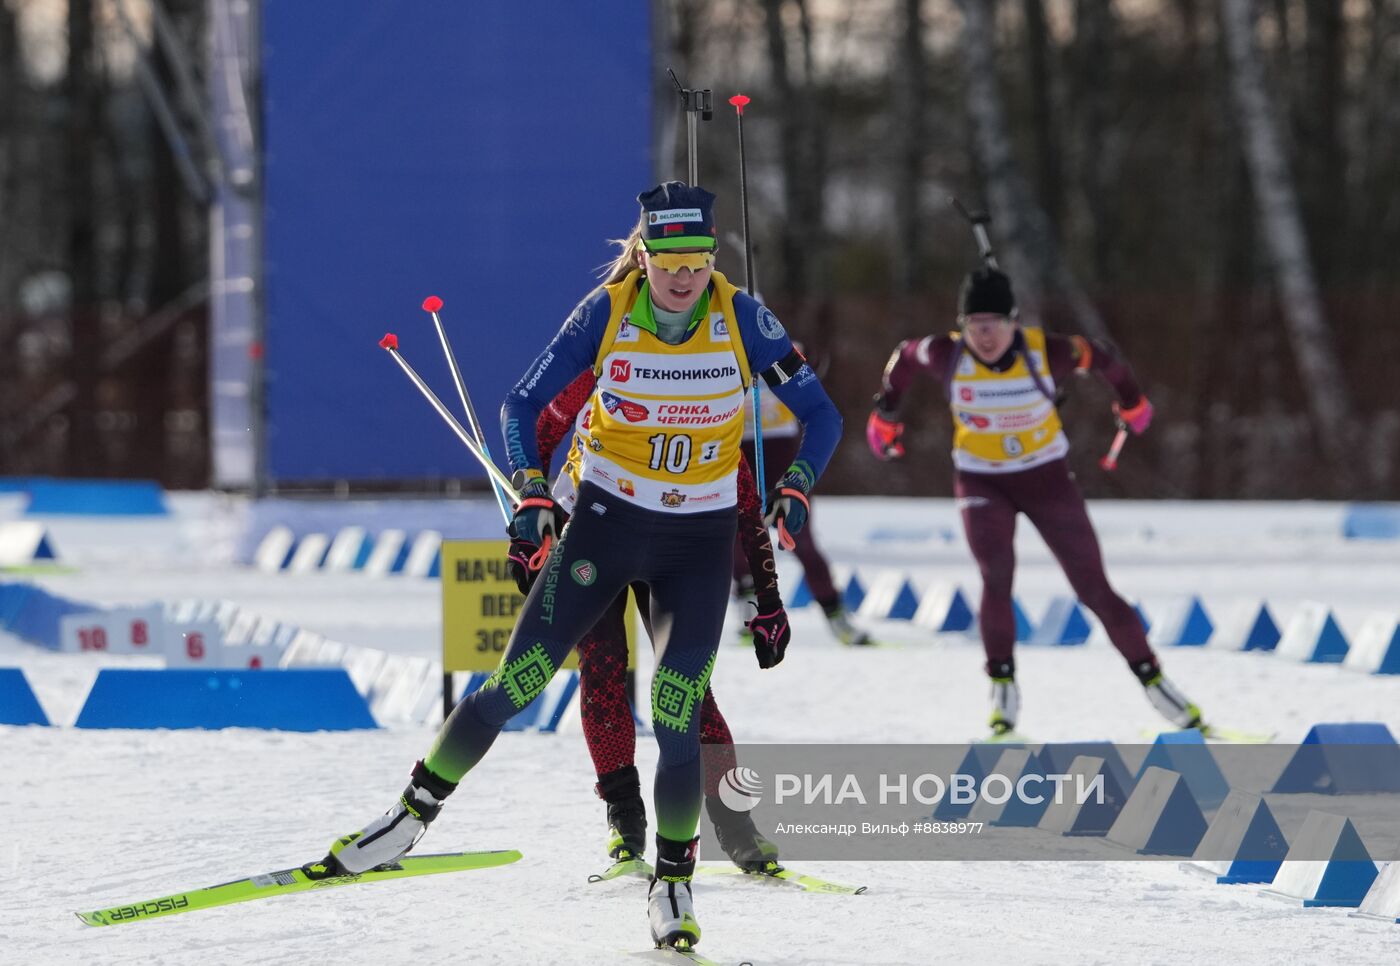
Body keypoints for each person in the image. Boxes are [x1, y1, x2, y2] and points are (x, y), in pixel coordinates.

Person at [312, 182, 841, 951]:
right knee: (514, 683)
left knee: (676, 709)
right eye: (670, 262)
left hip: (694, 548)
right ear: (646, 256)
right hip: (606, 529)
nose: (685, 278)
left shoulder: (742, 318)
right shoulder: (608, 313)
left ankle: (674, 882)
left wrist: (796, 488)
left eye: (698, 260)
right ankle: (406, 819)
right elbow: (519, 408)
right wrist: (531, 494)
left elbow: (822, 413)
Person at [865, 266, 1205, 738]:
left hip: (1047, 480)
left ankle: (1155, 681)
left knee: (1094, 589)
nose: (984, 337)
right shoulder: (946, 353)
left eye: (994, 325)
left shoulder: (1049, 351)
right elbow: (904, 358)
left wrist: (1131, 401)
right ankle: (1002, 689)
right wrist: (885, 414)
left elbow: (1104, 358)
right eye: (974, 325)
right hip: (982, 481)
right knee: (996, 576)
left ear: (1013, 322)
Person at [517, 367, 787, 875]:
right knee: (602, 668)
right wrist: (528, 520)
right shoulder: (601, 371)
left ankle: (733, 823)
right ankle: (625, 818)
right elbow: (538, 433)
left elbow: (747, 506)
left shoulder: (707, 399)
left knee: (688, 687)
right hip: (591, 537)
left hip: (671, 543)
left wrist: (769, 599)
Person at [733, 373, 874, 647]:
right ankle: (750, 614)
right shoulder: (719, 345)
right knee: (738, 535)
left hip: (780, 449)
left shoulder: (779, 343)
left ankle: (836, 617)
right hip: (737, 446)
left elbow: (814, 392)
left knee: (801, 539)